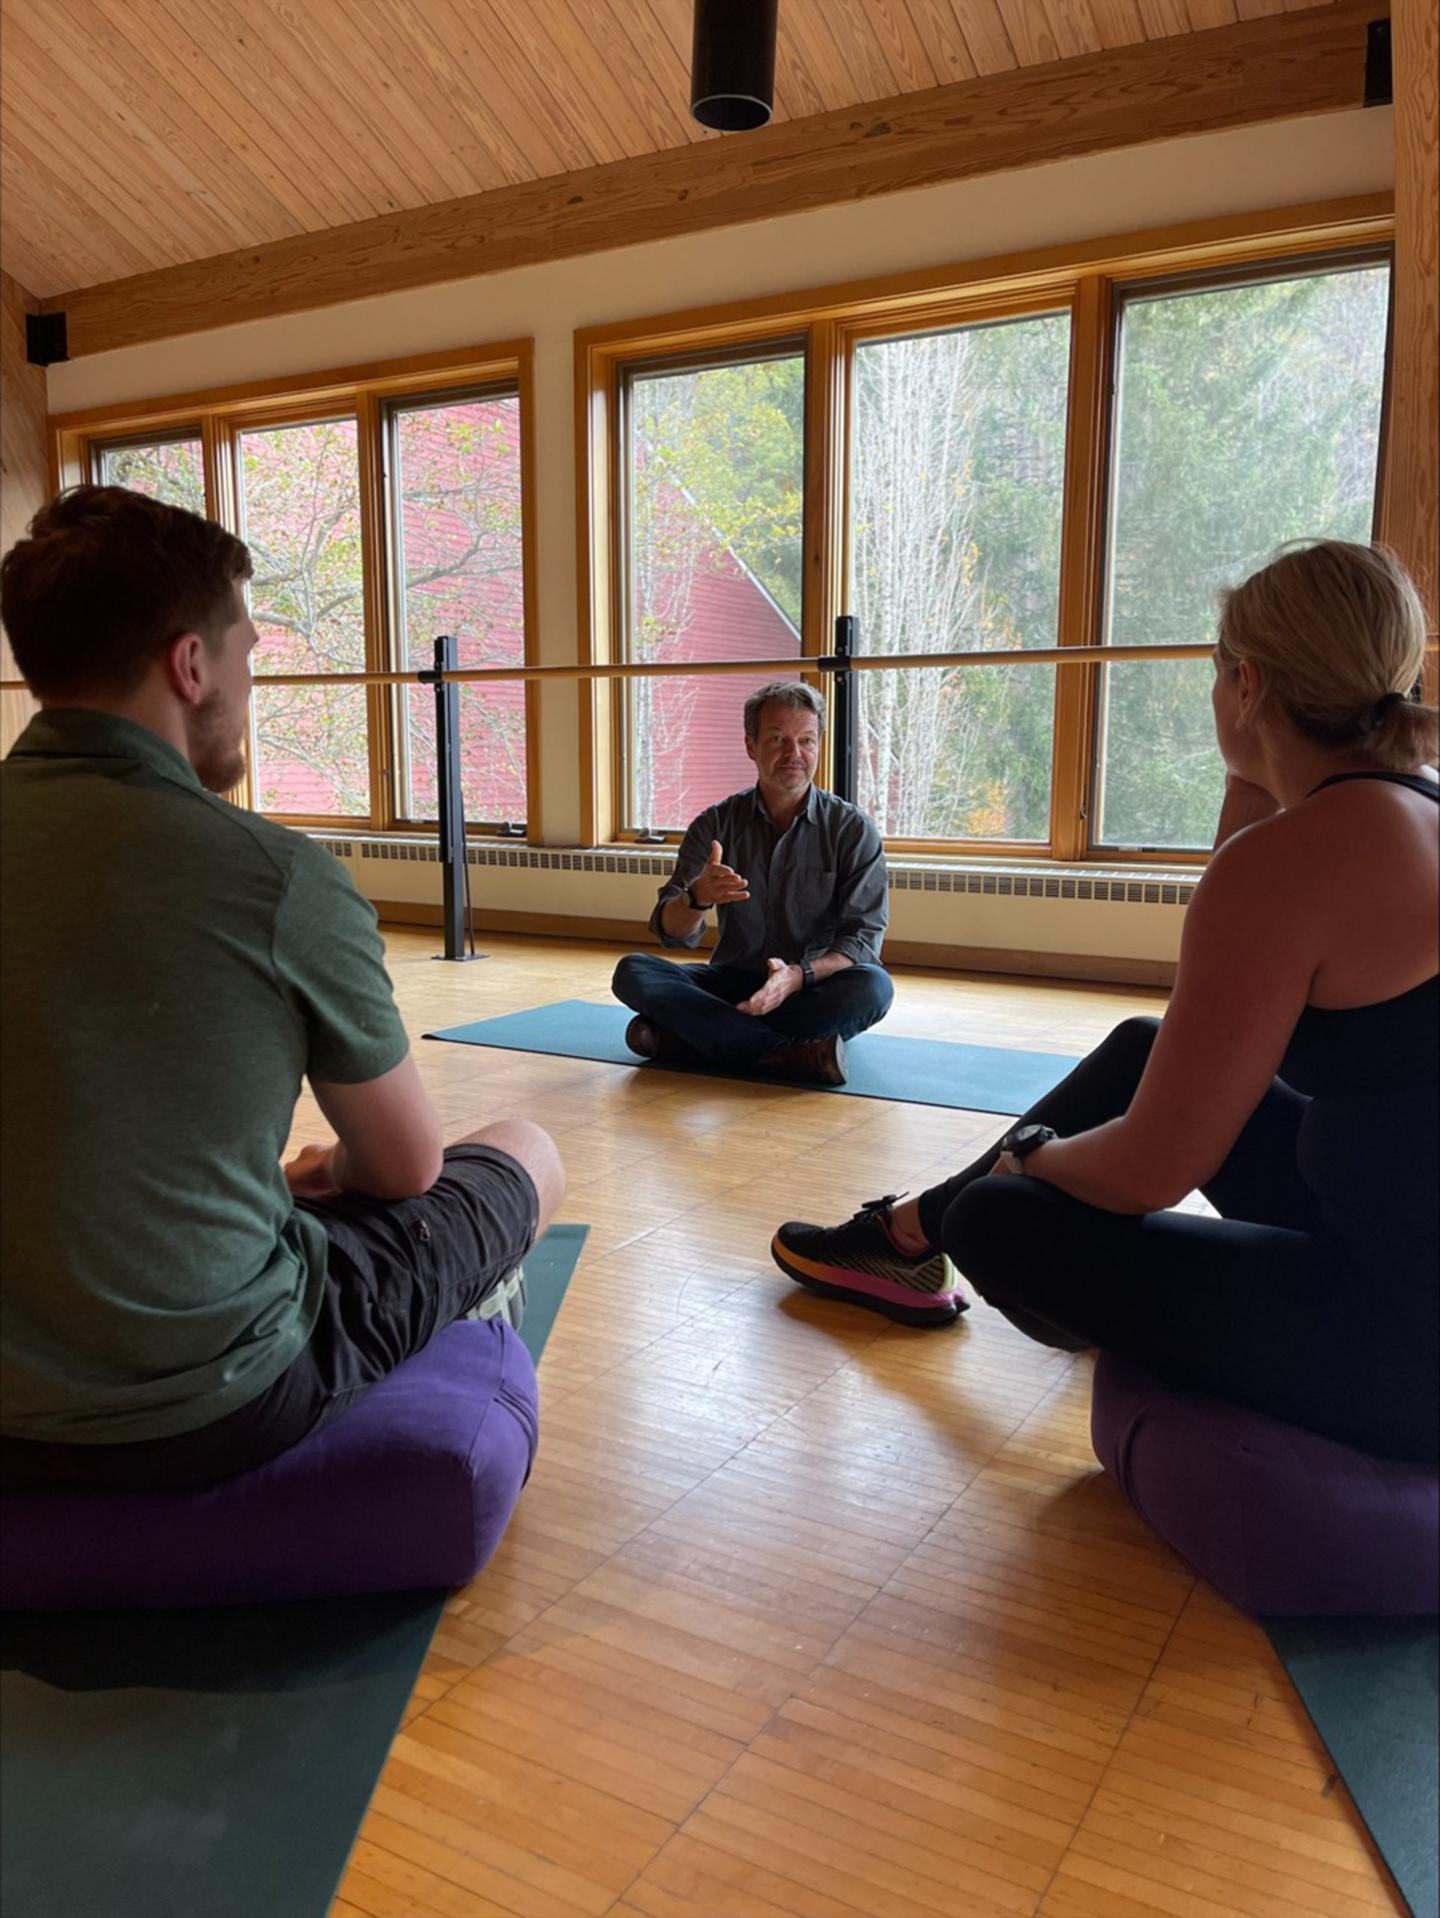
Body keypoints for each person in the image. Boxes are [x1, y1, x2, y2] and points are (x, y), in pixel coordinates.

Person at [773, 540, 1438, 1466]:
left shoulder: (1296, 861)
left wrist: (1027, 1164)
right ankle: (905, 1234)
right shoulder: (1412, 807)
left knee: (995, 1222)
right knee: (1139, 1048)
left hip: (1403, 1343)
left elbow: (1152, 1170)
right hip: (1388, 1228)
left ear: (1244, 683)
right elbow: (1234, 998)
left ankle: (933, 1228)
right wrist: (1253, 771)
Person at [0, 486, 564, 1490]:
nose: (252, 682)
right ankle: (457, 1324)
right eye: (248, 653)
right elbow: (404, 1168)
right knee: (524, 1151)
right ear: (190, 663)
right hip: (209, 1404)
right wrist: (330, 1172)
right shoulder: (273, 875)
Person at [612, 681, 892, 1086]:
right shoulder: (715, 825)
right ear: (751, 746)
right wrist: (697, 898)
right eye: (778, 739)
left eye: (806, 741)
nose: (794, 754)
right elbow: (670, 932)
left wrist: (797, 976)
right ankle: (781, 1053)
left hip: (810, 987)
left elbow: (862, 940)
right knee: (633, 971)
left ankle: (693, 1040)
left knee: (873, 987)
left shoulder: (851, 830)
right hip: (732, 982)